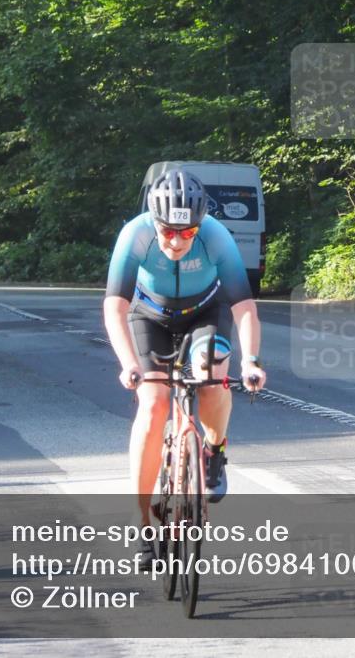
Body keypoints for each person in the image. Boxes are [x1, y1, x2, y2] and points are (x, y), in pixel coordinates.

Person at [103, 167, 266, 567]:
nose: (176, 242)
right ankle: (140, 521)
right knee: (154, 404)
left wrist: (251, 360)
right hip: (150, 317)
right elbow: (115, 307)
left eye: (187, 233)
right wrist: (128, 365)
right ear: (154, 223)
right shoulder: (135, 235)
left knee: (213, 380)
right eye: (168, 232)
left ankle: (214, 451)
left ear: (199, 225)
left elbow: (244, 307)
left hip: (203, 313)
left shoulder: (216, 236)